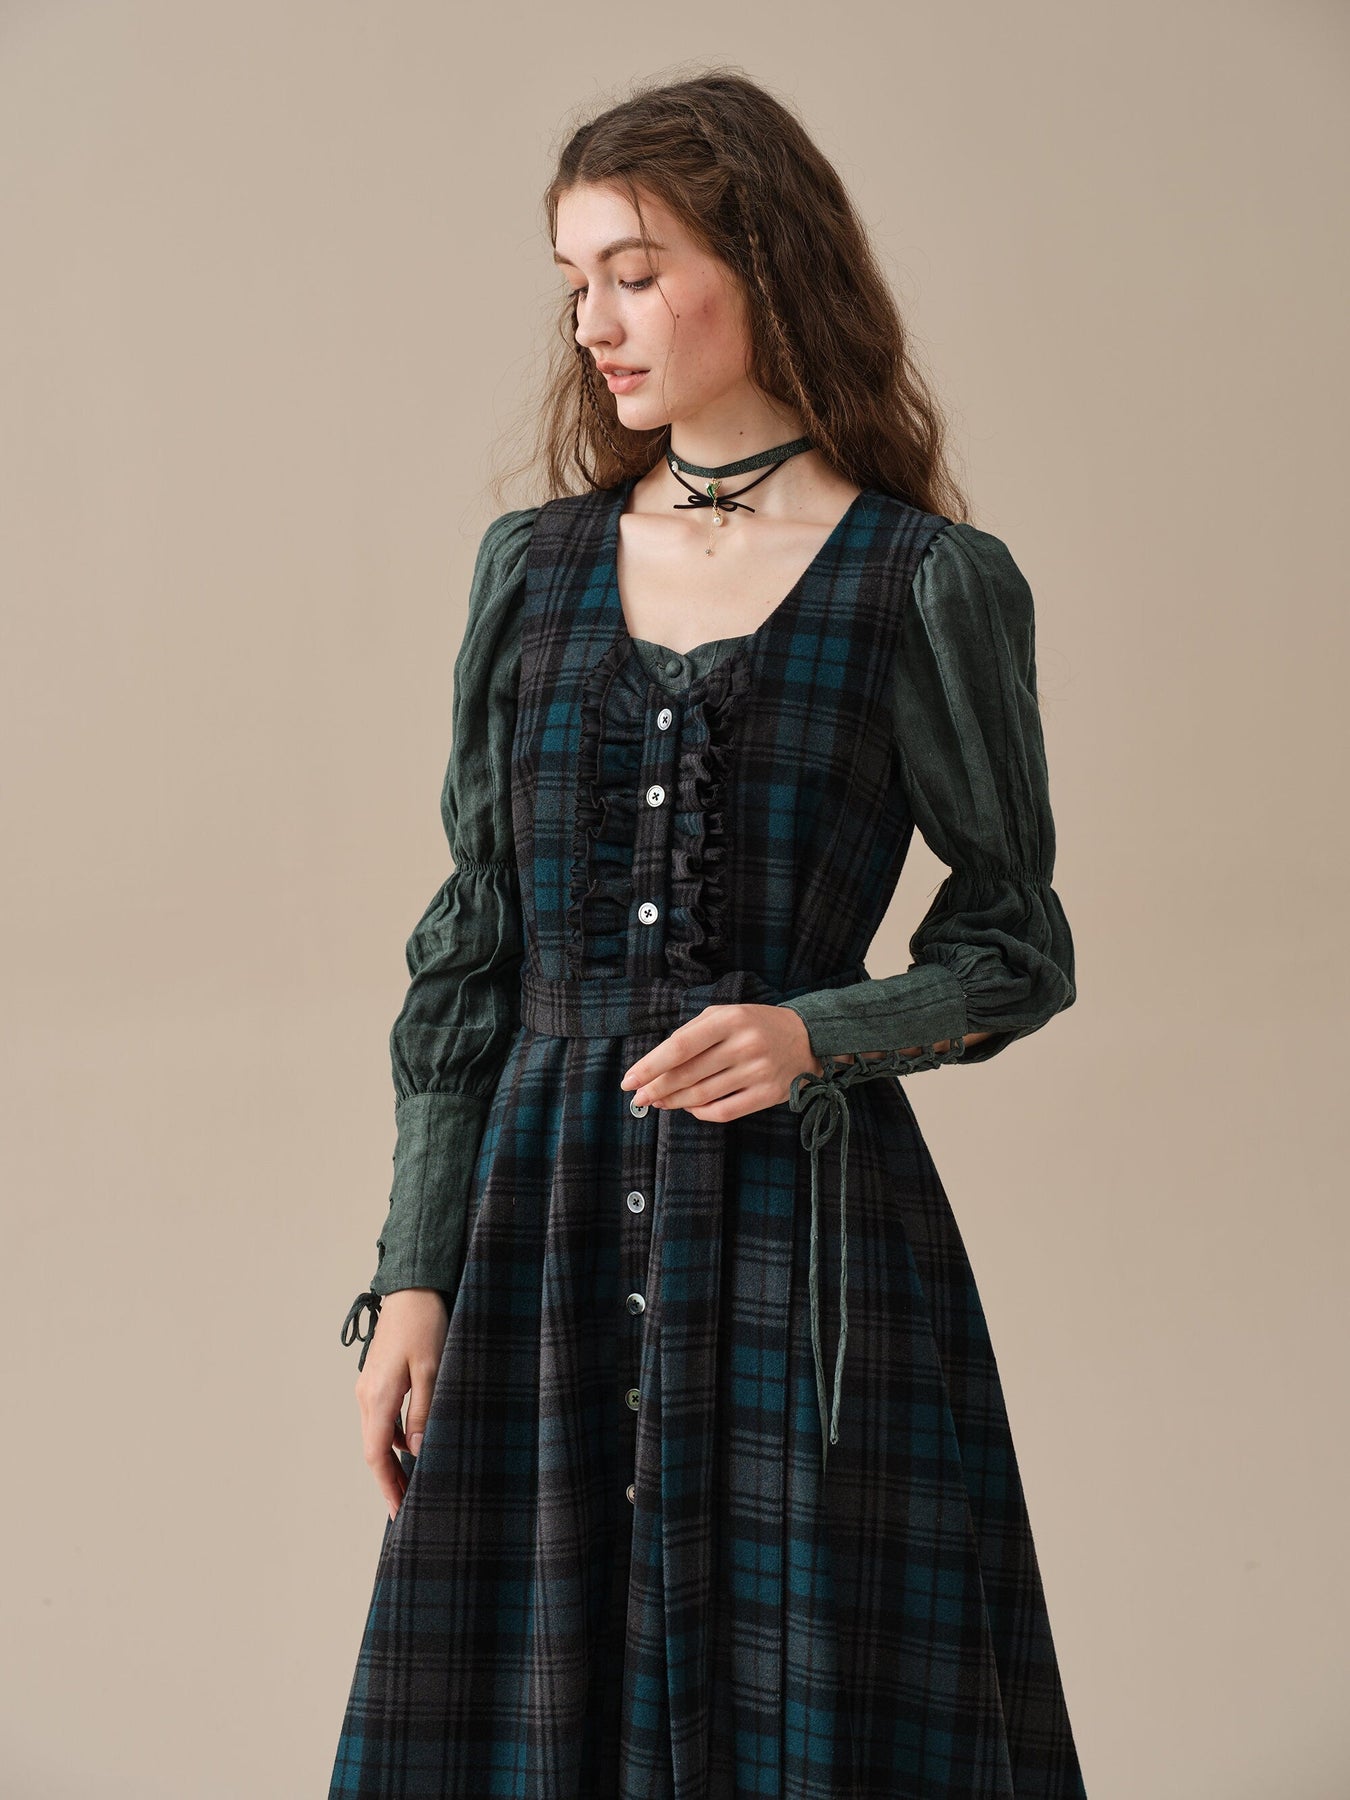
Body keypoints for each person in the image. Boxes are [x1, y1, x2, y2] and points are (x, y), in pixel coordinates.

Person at [330, 67, 1088, 1800]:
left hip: (800, 1249)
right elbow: (470, 947)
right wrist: (415, 1272)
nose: (593, 323)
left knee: (810, 1704)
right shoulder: (531, 569)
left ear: (762, 264)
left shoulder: (922, 582)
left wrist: (821, 1030)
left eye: (635, 271)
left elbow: (1016, 940)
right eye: (572, 281)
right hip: (535, 1237)